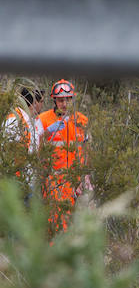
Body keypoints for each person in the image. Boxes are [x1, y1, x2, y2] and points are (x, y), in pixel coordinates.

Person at [38, 80, 92, 237]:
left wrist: (86, 176)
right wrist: (46, 133)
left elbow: (87, 149)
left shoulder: (81, 120)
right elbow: (35, 148)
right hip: (55, 180)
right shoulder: (43, 120)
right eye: (61, 100)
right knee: (57, 223)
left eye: (67, 99)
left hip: (77, 180)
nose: (64, 103)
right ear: (54, 100)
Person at [4, 88, 45, 200]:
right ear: (34, 102)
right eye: (41, 102)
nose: (42, 105)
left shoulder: (29, 119)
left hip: (28, 180)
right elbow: (8, 149)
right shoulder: (14, 119)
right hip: (18, 181)